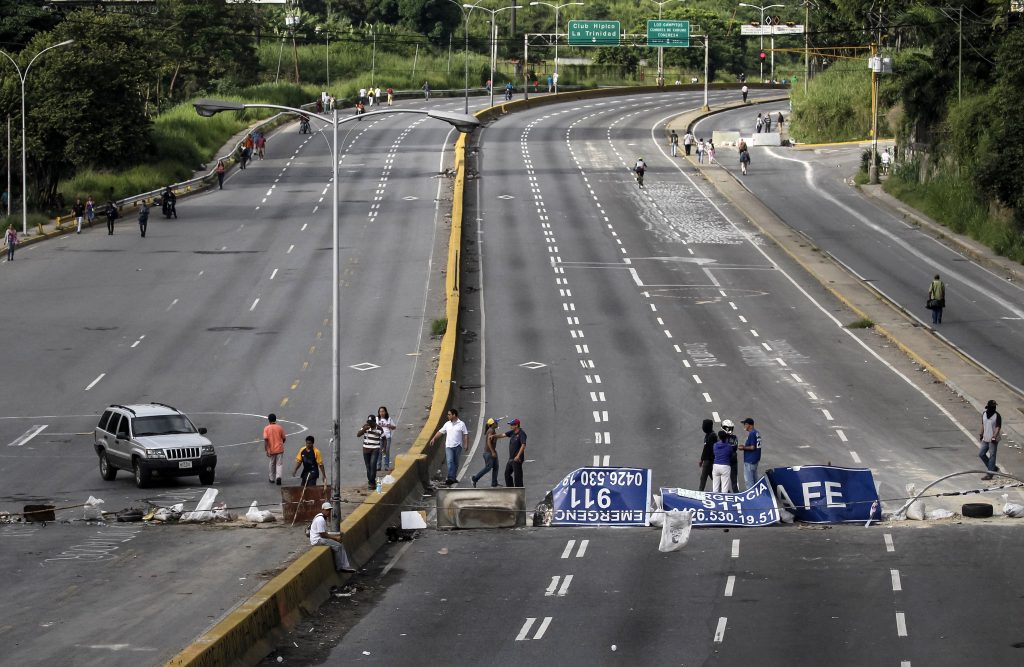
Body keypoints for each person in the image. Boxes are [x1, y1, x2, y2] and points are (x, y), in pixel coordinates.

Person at [310, 502, 356, 573]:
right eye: (327, 510)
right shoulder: (321, 520)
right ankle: (340, 567)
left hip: (320, 538)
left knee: (340, 544)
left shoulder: (320, 516)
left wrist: (335, 538)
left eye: (329, 510)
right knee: (338, 546)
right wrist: (335, 538)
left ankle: (345, 565)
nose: (328, 512)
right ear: (323, 510)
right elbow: (323, 534)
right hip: (317, 540)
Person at [430, 408, 469, 485]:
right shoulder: (447, 424)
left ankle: (453, 478)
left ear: (454, 415)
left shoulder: (461, 424)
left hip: (458, 446)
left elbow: (465, 434)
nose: (448, 416)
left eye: (449, 414)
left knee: (456, 463)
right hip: (449, 446)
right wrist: (434, 438)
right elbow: (440, 432)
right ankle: (450, 478)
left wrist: (466, 444)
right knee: (450, 461)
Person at [495, 418, 526, 488]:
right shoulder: (512, 432)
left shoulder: (522, 433)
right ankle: (510, 489)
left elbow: (523, 445)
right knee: (507, 474)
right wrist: (494, 436)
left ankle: (519, 492)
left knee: (518, 477)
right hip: (511, 458)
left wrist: (518, 456)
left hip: (517, 459)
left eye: (512, 425)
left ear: (517, 425)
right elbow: (503, 435)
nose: (511, 426)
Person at [357, 415, 384, 490]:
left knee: (373, 464)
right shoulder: (365, 426)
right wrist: (364, 430)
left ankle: (371, 482)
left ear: (374, 422)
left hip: (375, 449)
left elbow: (384, 438)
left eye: (371, 423)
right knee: (368, 466)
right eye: (368, 422)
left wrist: (384, 448)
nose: (370, 424)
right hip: (366, 449)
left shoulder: (379, 429)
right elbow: (358, 435)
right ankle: (371, 482)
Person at [472, 418, 500, 488]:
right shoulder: (490, 431)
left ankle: (494, 483)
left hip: (492, 452)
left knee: (496, 467)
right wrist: (493, 452)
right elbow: (488, 442)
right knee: (488, 467)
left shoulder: (492, 430)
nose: (497, 423)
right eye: (496, 422)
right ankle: (475, 478)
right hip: (489, 453)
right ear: (493, 424)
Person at [979, 400, 1002, 480]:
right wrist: (981, 434)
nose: (994, 408)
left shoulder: (997, 416)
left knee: (992, 456)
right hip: (985, 438)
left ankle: (990, 474)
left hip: (993, 440)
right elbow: (983, 425)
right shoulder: (984, 414)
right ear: (988, 407)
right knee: (981, 454)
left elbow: (997, 427)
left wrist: (994, 436)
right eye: (993, 406)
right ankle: (993, 468)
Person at [738, 418, 762, 489]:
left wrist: (743, 447)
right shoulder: (757, 433)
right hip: (755, 460)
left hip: (750, 461)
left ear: (749, 425)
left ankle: (752, 498)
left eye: (745, 424)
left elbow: (752, 447)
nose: (744, 426)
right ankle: (757, 497)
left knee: (749, 483)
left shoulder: (752, 433)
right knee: (755, 481)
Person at [264, 413, 286, 485]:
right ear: (275, 419)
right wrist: (281, 443)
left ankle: (271, 478)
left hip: (271, 449)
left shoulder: (266, 428)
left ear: (269, 420)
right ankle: (278, 477)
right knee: (279, 464)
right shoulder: (279, 427)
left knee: (272, 463)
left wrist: (266, 449)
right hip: (279, 448)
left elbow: (266, 440)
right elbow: (284, 438)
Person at [698, 418, 716, 491]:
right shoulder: (708, 435)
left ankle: (700, 492)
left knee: (703, 478)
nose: (703, 427)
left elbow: (709, 449)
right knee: (713, 478)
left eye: (704, 426)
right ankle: (727, 491)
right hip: (707, 460)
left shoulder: (712, 436)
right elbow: (705, 448)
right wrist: (702, 459)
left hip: (709, 460)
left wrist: (703, 460)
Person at [721, 419, 739, 491]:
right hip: (724, 462)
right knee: (724, 480)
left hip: (733, 461)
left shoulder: (734, 437)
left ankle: (736, 493)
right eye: (729, 428)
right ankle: (727, 493)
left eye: (731, 428)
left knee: (734, 480)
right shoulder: (721, 437)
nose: (731, 430)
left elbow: (734, 447)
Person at [377, 406, 396, 471]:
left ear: (385, 412)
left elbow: (394, 427)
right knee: (379, 451)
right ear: (378, 413)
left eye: (383, 411)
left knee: (386, 451)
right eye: (380, 411)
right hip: (379, 437)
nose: (381, 413)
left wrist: (389, 426)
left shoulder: (389, 419)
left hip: (387, 437)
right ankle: (378, 466)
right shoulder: (377, 419)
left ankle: (386, 466)